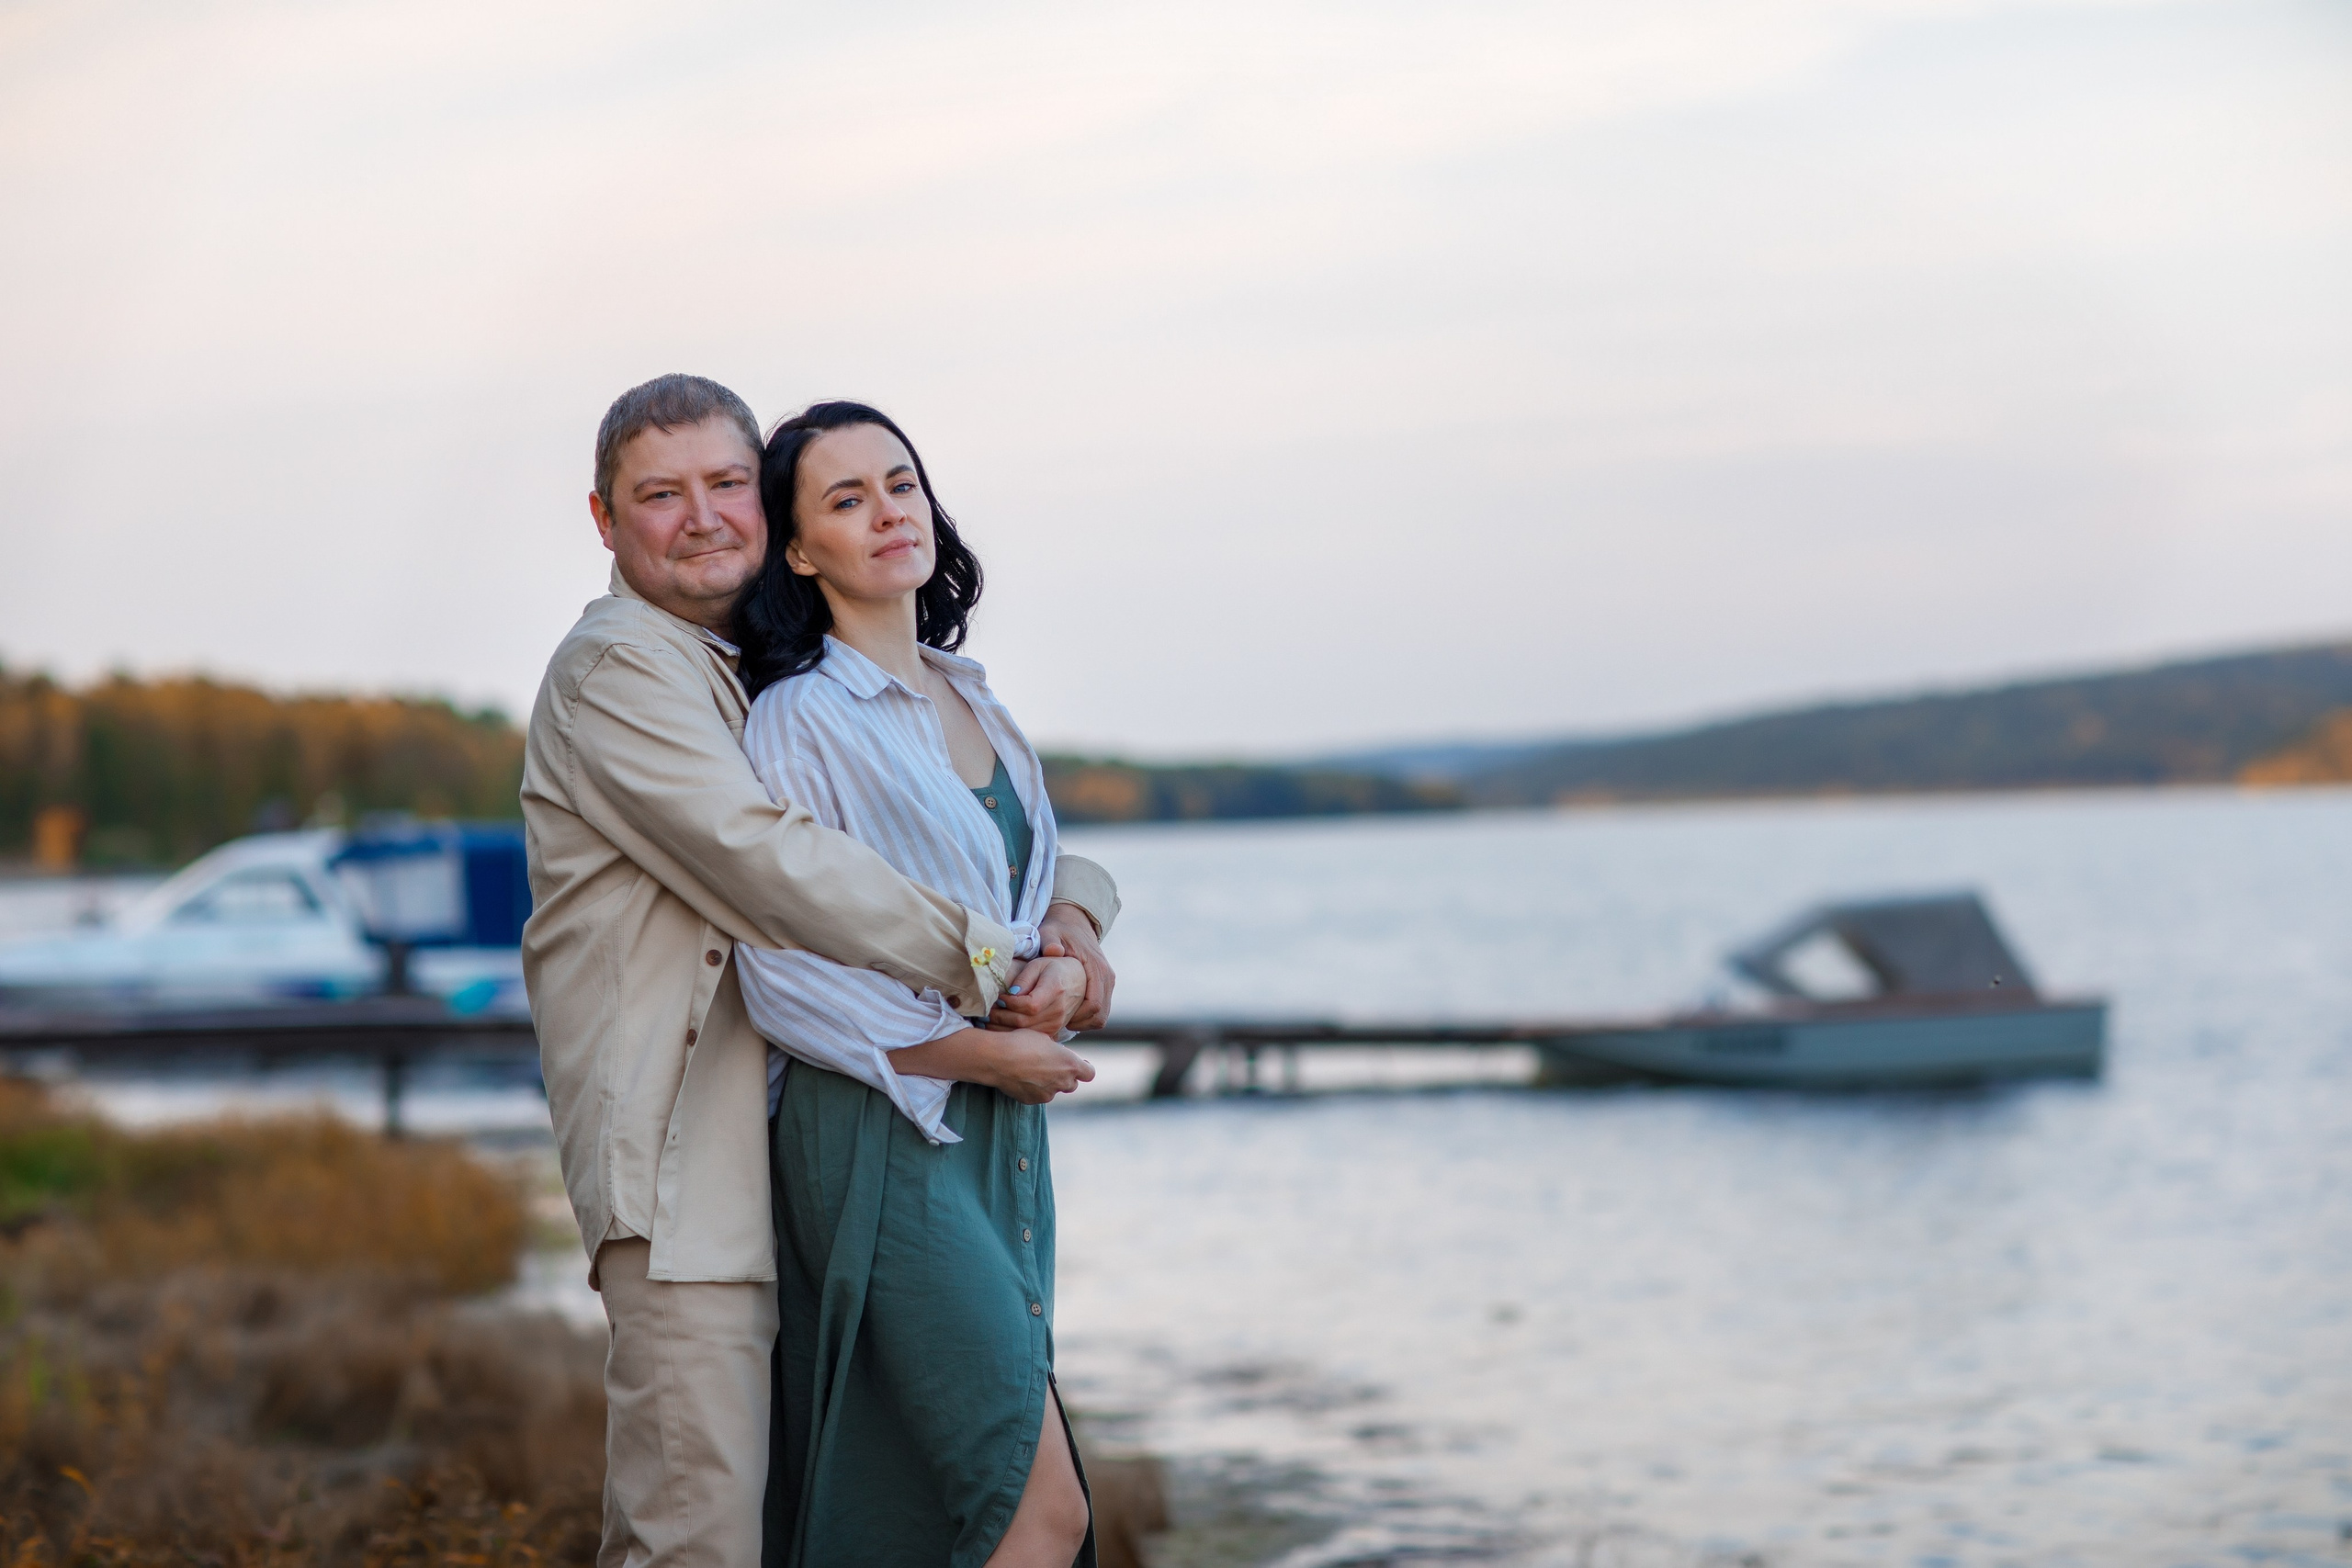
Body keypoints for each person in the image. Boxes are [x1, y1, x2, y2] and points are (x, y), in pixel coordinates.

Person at [520, 375, 1121, 1568]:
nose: (701, 516)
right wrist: (989, 964)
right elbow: (773, 866)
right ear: (604, 519)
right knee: (695, 1538)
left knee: (836, 1520)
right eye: (659, 494)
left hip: (800, 1149)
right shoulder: (626, 672)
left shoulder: (748, 670)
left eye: (725, 483)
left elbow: (983, 841)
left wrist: (1077, 919)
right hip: (688, 1177)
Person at [730, 401, 1103, 1568]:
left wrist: (1068, 962)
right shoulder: (801, 720)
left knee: (936, 1501)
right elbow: (778, 970)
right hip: (884, 1125)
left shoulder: (975, 696)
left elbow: (1016, 907)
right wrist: (980, 1052)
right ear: (799, 551)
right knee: (1037, 1507)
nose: (888, 511)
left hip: (994, 1132)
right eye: (845, 499)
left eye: (900, 483)